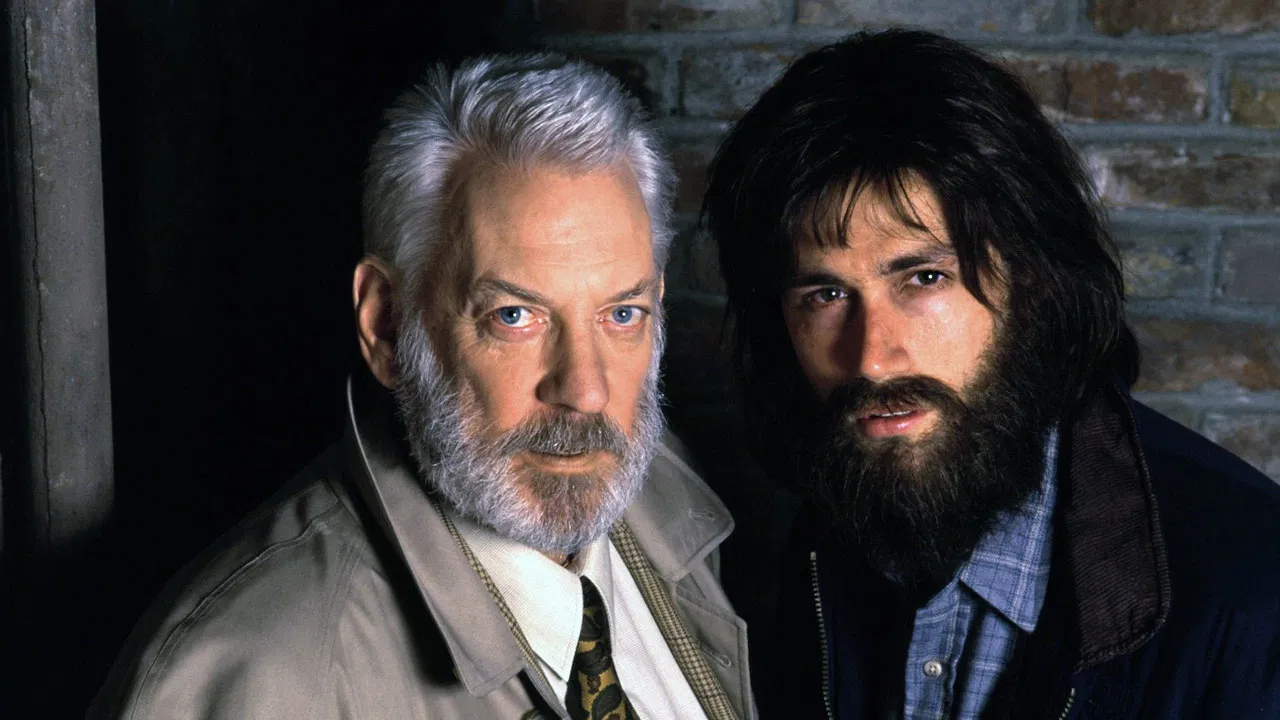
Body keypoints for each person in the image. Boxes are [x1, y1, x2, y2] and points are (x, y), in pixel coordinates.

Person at [90, 54, 754, 720]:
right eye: (514, 316)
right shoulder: (256, 675)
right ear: (385, 325)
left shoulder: (667, 501)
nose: (585, 392)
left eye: (622, 314)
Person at [703, 29, 1280, 719]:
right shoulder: (835, 524)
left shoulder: (1255, 595)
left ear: (1031, 279)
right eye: (826, 295)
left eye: (924, 278)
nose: (871, 358)